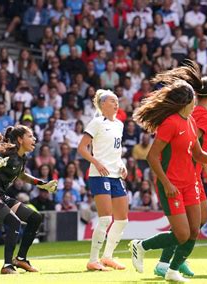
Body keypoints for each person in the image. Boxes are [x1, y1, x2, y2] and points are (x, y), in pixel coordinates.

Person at [130, 80, 207, 282]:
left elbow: (197, 153)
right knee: (182, 234)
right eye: (193, 98)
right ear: (186, 101)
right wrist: (166, 183)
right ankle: (140, 246)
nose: (196, 101)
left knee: (195, 230)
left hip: (190, 184)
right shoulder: (170, 123)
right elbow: (151, 156)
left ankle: (172, 270)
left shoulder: (191, 122)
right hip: (172, 186)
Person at [150, 63, 207, 278]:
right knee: (194, 224)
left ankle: (170, 263)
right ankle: (169, 262)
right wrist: (206, 164)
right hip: (188, 174)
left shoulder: (193, 113)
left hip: (192, 172)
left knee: (197, 222)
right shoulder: (199, 117)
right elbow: (190, 145)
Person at [0, 125, 58, 274]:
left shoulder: (20, 158)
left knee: (35, 218)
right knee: (14, 222)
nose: (34, 139)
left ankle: (21, 259)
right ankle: (7, 265)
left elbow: (22, 175)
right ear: (20, 139)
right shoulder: (7, 154)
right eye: (30, 136)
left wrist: (42, 184)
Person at [78, 89, 129, 271]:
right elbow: (82, 147)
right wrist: (96, 162)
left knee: (122, 219)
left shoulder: (119, 125)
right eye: (112, 101)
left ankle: (107, 257)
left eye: (117, 101)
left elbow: (115, 150)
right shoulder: (97, 122)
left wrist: (121, 163)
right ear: (102, 104)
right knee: (106, 218)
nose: (116, 104)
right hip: (99, 175)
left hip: (115, 174)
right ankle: (93, 259)